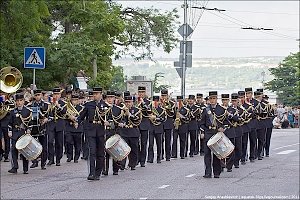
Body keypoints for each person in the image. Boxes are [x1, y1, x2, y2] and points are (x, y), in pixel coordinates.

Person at [77, 87, 109, 180]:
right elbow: (82, 116)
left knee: (100, 153)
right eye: (94, 94)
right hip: (91, 130)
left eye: (96, 93)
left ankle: (98, 173)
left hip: (100, 130)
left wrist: (109, 123)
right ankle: (91, 173)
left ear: (101, 94)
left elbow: (111, 118)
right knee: (92, 152)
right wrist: (77, 122)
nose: (94, 95)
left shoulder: (105, 105)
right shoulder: (88, 105)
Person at [200, 91, 226, 178]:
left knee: (216, 154)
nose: (212, 100)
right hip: (208, 133)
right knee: (207, 154)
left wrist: (223, 128)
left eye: (214, 98)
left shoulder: (221, 109)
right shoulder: (205, 110)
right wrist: (203, 132)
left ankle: (216, 172)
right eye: (210, 98)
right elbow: (202, 123)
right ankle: (207, 172)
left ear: (216, 99)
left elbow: (226, 122)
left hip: (217, 133)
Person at [7, 93, 32, 174]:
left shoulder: (27, 111)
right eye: (17, 101)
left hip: (23, 132)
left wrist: (29, 129)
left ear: (23, 101)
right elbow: (10, 123)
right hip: (15, 132)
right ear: (15, 102)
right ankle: (14, 167)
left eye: (21, 100)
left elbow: (30, 123)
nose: (19, 102)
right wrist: (10, 131)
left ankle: (25, 168)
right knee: (13, 149)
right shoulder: (12, 111)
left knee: (24, 151)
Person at [27, 89, 50, 170]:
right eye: (36, 95)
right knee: (33, 147)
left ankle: (43, 163)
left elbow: (50, 116)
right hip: (33, 128)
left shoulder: (46, 105)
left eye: (39, 95)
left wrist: (46, 119)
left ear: (41, 95)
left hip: (42, 128)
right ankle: (34, 161)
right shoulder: (30, 105)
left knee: (44, 146)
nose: (37, 97)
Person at [102, 91, 123, 175]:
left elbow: (122, 119)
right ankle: (105, 169)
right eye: (108, 97)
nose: (110, 99)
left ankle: (115, 169)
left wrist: (122, 123)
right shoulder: (102, 108)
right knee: (105, 151)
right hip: (105, 131)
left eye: (111, 97)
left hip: (114, 131)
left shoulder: (118, 109)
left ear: (114, 98)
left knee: (115, 152)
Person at [120, 95, 142, 170]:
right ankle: (122, 164)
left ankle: (132, 164)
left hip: (133, 131)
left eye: (129, 102)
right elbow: (119, 119)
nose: (128, 104)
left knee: (134, 149)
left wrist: (129, 114)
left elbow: (137, 120)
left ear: (132, 102)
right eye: (126, 102)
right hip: (124, 132)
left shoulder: (137, 110)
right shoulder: (121, 110)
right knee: (124, 149)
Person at [47, 87, 67, 166]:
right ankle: (51, 159)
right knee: (50, 142)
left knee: (59, 143)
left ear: (60, 95)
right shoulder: (49, 103)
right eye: (55, 94)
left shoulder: (63, 103)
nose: (56, 96)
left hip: (59, 124)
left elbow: (64, 112)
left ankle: (58, 159)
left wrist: (58, 106)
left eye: (57, 94)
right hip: (51, 124)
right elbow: (47, 112)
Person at [65, 94, 84, 163]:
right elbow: (64, 115)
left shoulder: (81, 108)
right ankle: (69, 156)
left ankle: (76, 157)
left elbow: (82, 117)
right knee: (69, 142)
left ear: (78, 100)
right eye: (73, 100)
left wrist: (77, 121)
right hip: (69, 127)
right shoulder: (68, 107)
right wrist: (69, 118)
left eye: (76, 100)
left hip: (78, 128)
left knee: (77, 144)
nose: (74, 101)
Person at [147, 96, 166, 164]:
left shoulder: (162, 110)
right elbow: (147, 116)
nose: (155, 103)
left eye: (157, 101)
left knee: (159, 144)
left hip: (159, 128)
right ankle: (150, 158)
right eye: (154, 101)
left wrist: (156, 118)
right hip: (151, 128)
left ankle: (159, 157)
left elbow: (164, 119)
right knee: (151, 144)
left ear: (159, 102)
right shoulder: (150, 110)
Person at [137, 86, 152, 167]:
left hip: (145, 124)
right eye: (140, 92)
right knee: (136, 143)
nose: (141, 94)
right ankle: (136, 159)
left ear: (145, 93)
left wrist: (143, 103)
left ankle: (142, 160)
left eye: (142, 92)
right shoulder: (135, 101)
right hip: (136, 124)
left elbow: (149, 111)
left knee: (144, 143)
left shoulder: (148, 102)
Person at [161, 89, 175, 161]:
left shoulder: (172, 103)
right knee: (160, 140)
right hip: (160, 123)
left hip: (168, 123)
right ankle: (161, 155)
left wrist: (166, 104)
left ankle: (168, 156)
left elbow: (173, 113)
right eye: (162, 95)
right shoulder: (158, 102)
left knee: (168, 140)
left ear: (167, 95)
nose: (163, 97)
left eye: (165, 96)